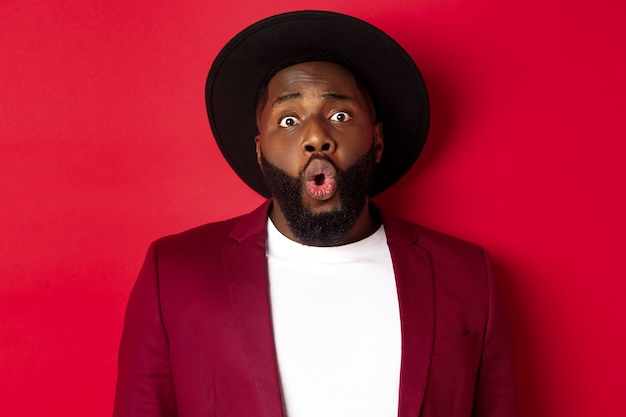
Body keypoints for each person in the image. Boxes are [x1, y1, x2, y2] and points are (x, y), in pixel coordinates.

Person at [113, 10, 518, 417]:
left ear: (376, 140)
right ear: (260, 150)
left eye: (340, 116)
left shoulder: (467, 276)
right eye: (289, 120)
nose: (316, 138)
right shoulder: (174, 273)